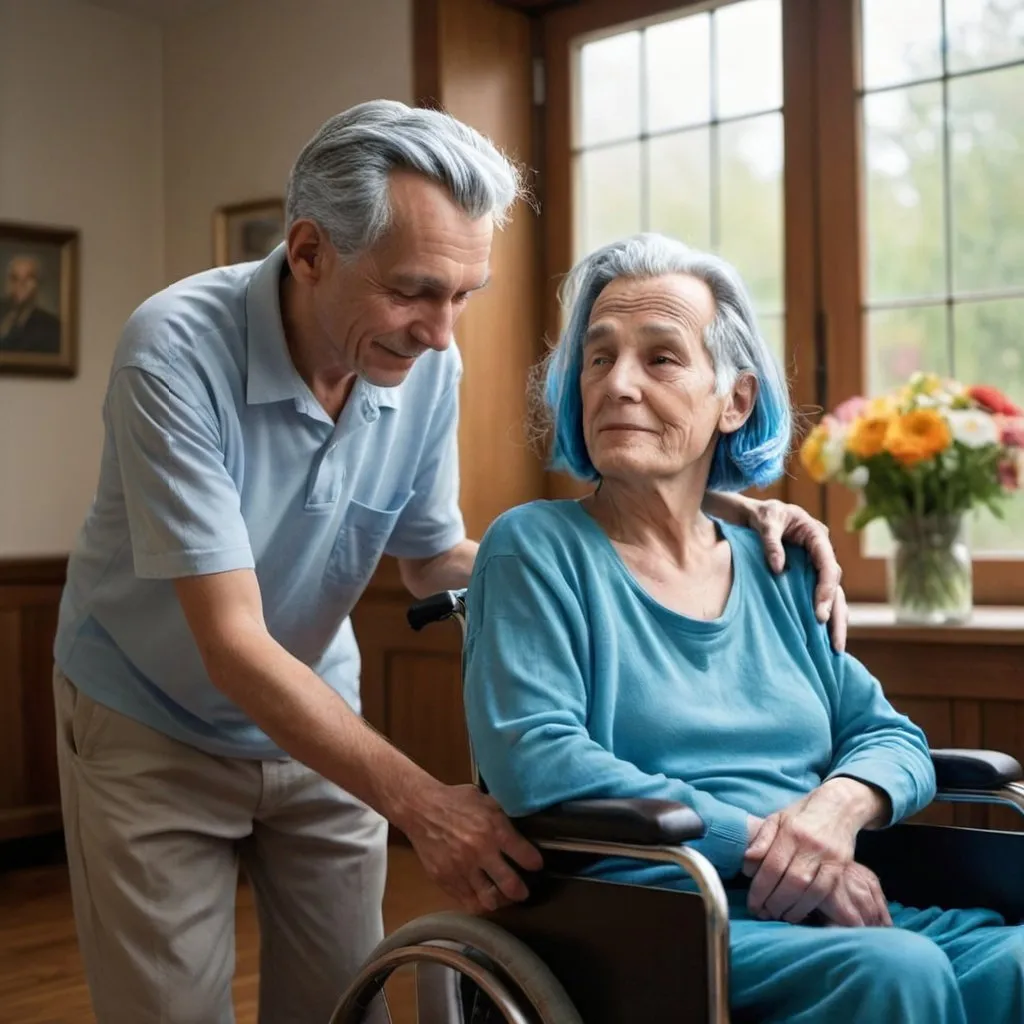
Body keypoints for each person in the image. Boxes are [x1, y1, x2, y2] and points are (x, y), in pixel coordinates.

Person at [53, 103, 845, 1024]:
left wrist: (699, 522)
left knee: (346, 1003)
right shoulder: (174, 352)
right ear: (310, 253)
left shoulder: (425, 361)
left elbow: (433, 559)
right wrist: (425, 805)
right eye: (414, 291)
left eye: (464, 295)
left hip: (313, 704)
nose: (441, 332)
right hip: (152, 716)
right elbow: (231, 641)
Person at [463, 232, 1024, 1024]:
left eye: (660, 358)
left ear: (735, 400)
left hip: (825, 903)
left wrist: (836, 810)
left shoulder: (777, 564)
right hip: (656, 915)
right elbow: (538, 761)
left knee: (1015, 962)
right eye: (598, 359)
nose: (618, 384)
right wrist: (769, 846)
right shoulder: (535, 547)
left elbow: (888, 736)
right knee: (897, 973)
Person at [0, 253, 62, 352]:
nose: (20, 284)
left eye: (28, 278)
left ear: (38, 284)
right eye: (14, 278)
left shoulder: (51, 327)